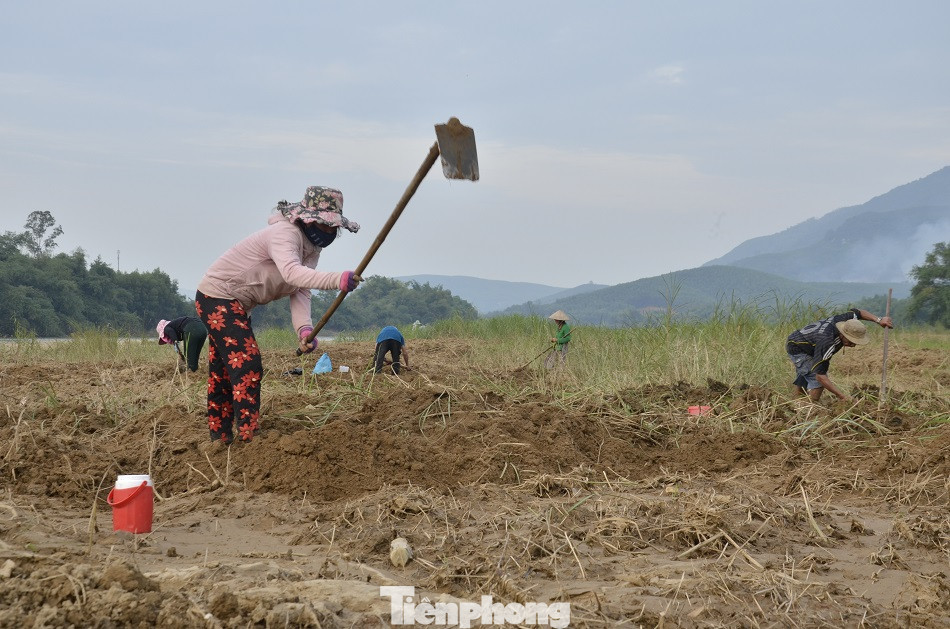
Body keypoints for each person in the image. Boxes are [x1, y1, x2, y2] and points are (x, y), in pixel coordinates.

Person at [195, 185, 362, 443]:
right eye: (324, 224)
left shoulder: (312, 249)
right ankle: (250, 436)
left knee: (224, 371)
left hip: (234, 304)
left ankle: (220, 437)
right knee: (247, 364)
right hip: (218, 296)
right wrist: (337, 279)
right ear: (307, 218)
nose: (328, 232)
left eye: (333, 228)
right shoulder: (285, 234)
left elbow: (300, 289)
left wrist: (304, 329)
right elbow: (292, 274)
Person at [786, 308, 893, 402]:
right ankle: (809, 410)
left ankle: (796, 402)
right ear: (842, 333)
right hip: (797, 347)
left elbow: (859, 312)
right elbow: (820, 376)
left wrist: (879, 320)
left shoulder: (846, 320)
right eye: (850, 341)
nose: (853, 345)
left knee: (807, 372)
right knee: (816, 380)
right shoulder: (827, 342)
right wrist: (842, 396)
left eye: (855, 342)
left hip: (810, 343)